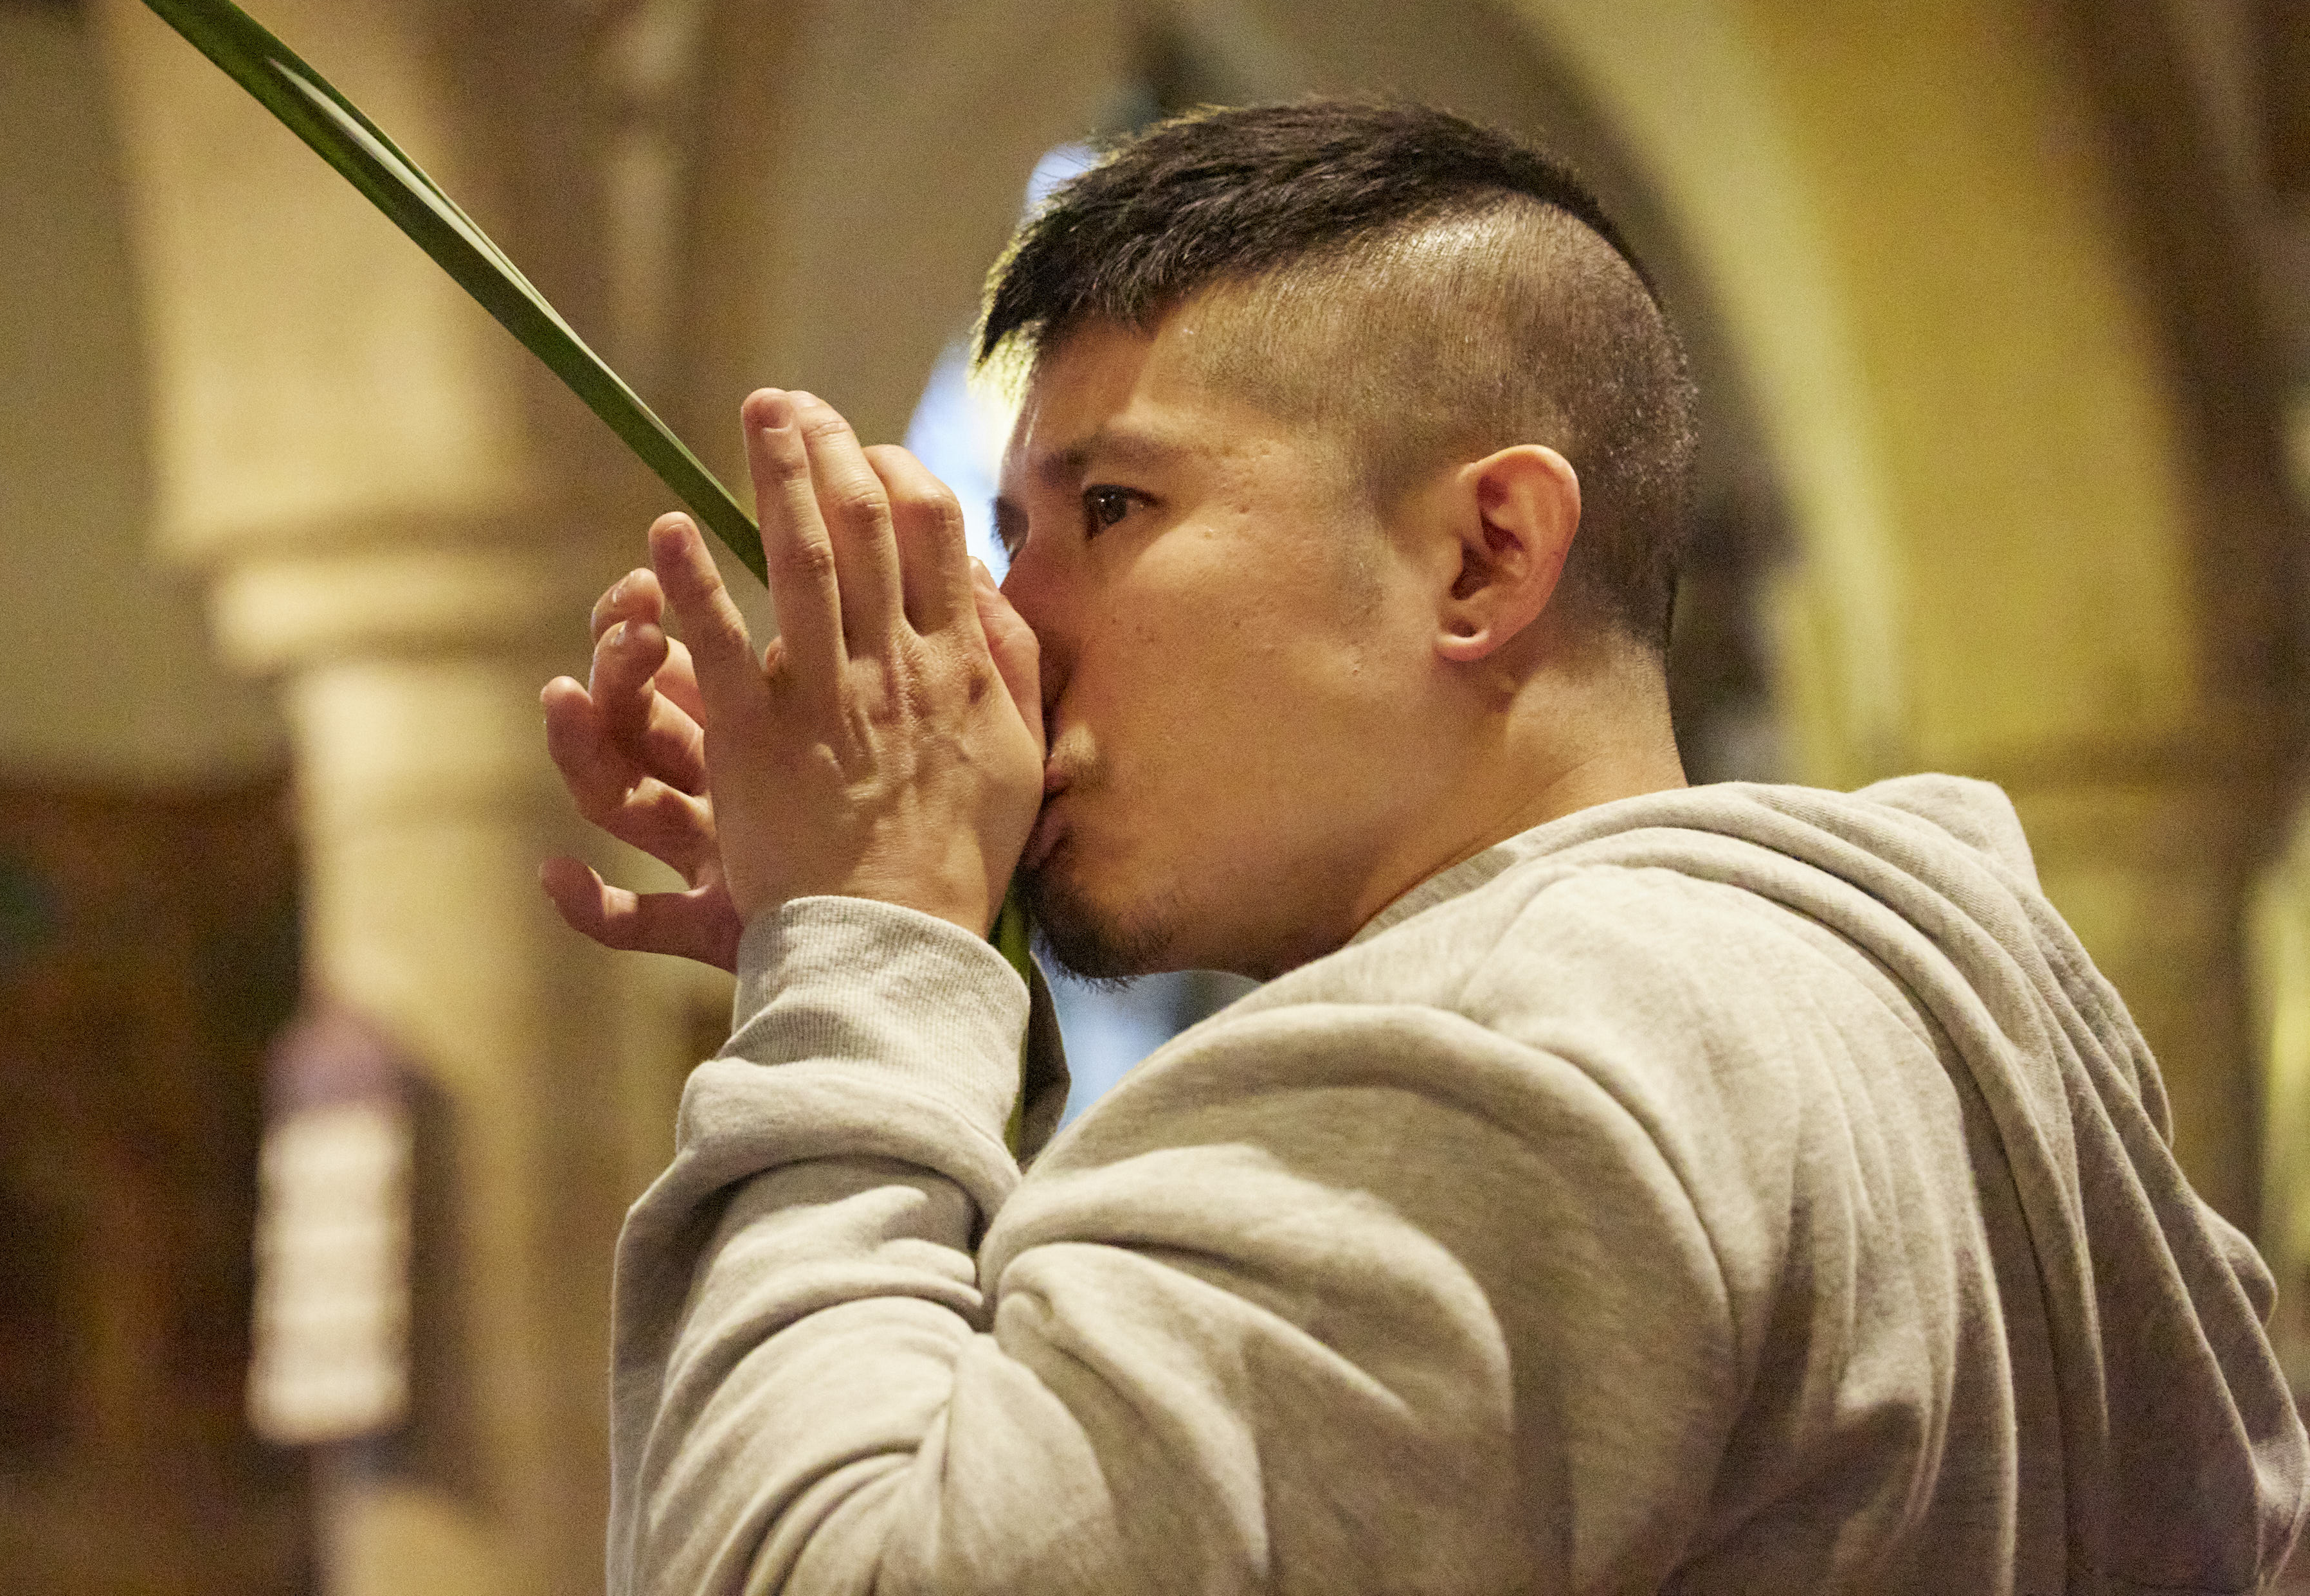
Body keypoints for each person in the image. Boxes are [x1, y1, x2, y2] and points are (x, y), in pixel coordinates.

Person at [537, 99, 2310, 1593]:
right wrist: (924, 960)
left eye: (1112, 508)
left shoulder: (1510, 1058)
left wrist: (864, 958)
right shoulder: (1916, 994)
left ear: (1485, 555)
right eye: (1012, 537)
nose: (1013, 631)